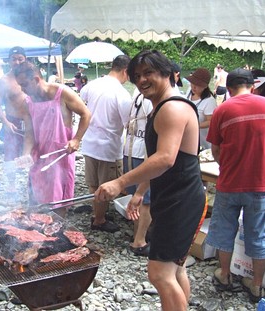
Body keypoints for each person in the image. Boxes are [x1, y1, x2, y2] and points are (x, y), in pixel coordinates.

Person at [94, 50, 206, 311]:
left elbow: (166, 158)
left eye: (148, 73)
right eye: (136, 76)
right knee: (175, 270)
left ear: (167, 73)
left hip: (181, 201)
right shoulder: (161, 107)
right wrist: (140, 192)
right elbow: (156, 159)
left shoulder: (173, 108)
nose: (142, 80)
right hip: (176, 197)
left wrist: (120, 183)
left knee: (159, 274)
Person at [205, 68, 265, 303]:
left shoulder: (223, 109)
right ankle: (257, 286)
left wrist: (230, 164)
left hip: (230, 183)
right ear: (253, 86)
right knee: (259, 235)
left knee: (224, 231)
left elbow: (216, 150)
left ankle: (225, 275)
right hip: (261, 184)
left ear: (228, 89)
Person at [14, 61, 91, 204]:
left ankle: (57, 225)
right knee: (35, 194)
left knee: (57, 198)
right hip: (39, 152)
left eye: (24, 85)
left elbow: (86, 114)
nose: (22, 89)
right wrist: (25, 154)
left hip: (60, 153)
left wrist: (76, 140)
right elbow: (30, 132)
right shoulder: (28, 101)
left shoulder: (62, 93)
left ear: (36, 79)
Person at [80, 55, 132, 233]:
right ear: (125, 71)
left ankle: (98, 212)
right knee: (106, 185)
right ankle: (99, 220)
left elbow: (82, 100)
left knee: (93, 183)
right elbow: (128, 123)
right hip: (108, 146)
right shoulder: (123, 94)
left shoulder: (93, 84)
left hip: (89, 142)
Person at [0, 46, 34, 203]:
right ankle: (11, 185)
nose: (17, 61)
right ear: (9, 61)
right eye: (14, 58)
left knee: (33, 153)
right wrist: (5, 122)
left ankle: (33, 183)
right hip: (13, 122)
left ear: (25, 59)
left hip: (31, 120)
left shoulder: (31, 77)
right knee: (10, 154)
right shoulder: (4, 81)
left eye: (20, 58)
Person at [123, 86, 153, 256]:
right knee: (144, 200)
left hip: (130, 149)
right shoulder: (151, 98)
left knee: (136, 197)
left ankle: (136, 235)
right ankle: (139, 241)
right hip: (142, 153)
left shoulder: (136, 94)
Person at [185, 68, 217, 150]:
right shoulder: (189, 91)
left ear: (205, 87)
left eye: (198, 85)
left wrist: (194, 126)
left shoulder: (209, 101)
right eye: (192, 83)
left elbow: (210, 122)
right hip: (188, 139)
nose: (194, 87)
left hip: (202, 141)